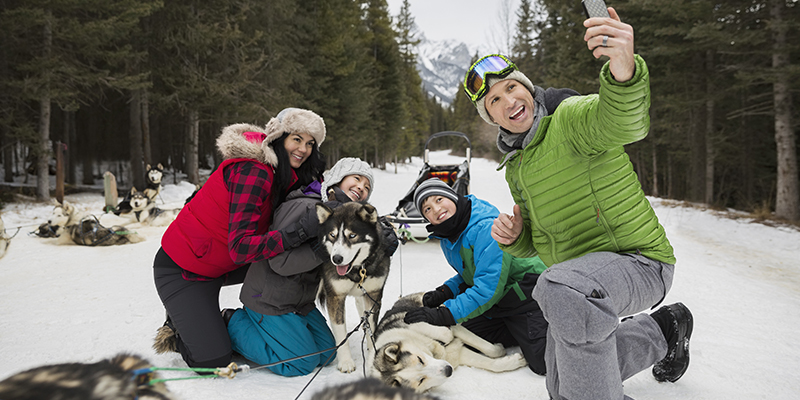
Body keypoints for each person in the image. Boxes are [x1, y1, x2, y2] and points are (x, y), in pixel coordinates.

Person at [464, 8, 692, 400]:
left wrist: (624, 70)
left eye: (511, 87)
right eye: (494, 100)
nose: (508, 100)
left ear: (527, 88)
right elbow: (541, 243)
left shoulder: (569, 119)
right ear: (491, 117)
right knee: (562, 382)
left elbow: (624, 121)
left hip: (639, 262)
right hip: (581, 283)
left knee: (558, 290)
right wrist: (518, 238)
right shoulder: (516, 166)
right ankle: (664, 330)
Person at [152, 108, 327, 371]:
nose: (303, 149)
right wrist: (300, 232)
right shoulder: (254, 172)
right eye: (297, 139)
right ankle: (183, 324)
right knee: (212, 362)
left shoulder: (284, 174)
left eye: (310, 143)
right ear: (279, 138)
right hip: (185, 270)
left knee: (284, 259)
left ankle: (271, 318)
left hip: (220, 264)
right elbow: (241, 248)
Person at [224, 157, 385, 376]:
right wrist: (321, 251)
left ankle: (278, 332)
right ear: (338, 178)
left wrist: (383, 237)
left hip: (300, 301)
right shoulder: (304, 206)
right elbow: (278, 262)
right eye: (356, 179)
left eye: (367, 187)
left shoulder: (341, 216)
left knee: (328, 354)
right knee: (301, 363)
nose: (361, 187)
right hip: (270, 299)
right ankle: (234, 323)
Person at [403, 178, 549, 375]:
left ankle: (549, 319)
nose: (435, 210)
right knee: (464, 337)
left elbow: (487, 288)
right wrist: (446, 291)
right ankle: (518, 329)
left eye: (439, 200)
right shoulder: (449, 235)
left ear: (452, 197)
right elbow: (472, 273)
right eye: (427, 209)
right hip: (501, 299)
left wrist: (444, 313)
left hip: (528, 294)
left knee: (543, 362)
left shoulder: (485, 228)